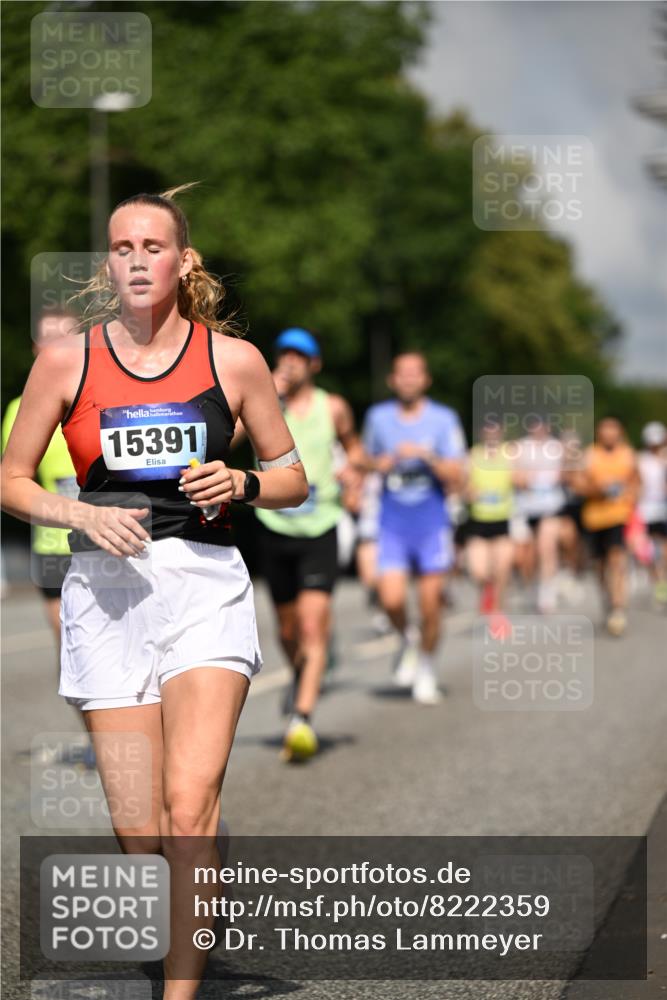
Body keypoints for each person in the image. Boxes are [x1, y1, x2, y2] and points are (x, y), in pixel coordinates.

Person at [0, 186, 308, 1000]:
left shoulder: (230, 360)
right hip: (105, 593)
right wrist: (73, 512)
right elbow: (10, 478)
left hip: (202, 583)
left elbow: (292, 479)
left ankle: (180, 990)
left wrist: (240, 480)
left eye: (153, 247)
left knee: (185, 805)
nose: (137, 260)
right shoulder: (68, 361)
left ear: (183, 260)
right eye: (122, 247)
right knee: (141, 830)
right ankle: (191, 887)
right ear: (110, 262)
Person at [254, 328, 363, 761]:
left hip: (321, 526)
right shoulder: (263, 399)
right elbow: (232, 439)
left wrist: (354, 472)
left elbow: (355, 449)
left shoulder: (332, 407)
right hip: (273, 524)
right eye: (285, 355)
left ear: (315, 365)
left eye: (300, 356)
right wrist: (268, 396)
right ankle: (302, 674)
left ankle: (301, 718)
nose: (291, 362)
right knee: (286, 630)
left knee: (313, 626)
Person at [362, 351, 466, 705]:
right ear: (393, 380)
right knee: (390, 598)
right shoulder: (378, 418)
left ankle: (426, 667)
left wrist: (426, 456)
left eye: (414, 373)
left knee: (431, 604)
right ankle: (408, 638)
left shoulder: (443, 419)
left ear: (426, 380)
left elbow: (457, 476)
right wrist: (383, 462)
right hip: (392, 523)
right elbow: (364, 462)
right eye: (401, 373)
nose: (408, 379)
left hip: (431, 524)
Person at [1, 307, 79, 642]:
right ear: (36, 347)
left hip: (110, 542)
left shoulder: (103, 400)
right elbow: (14, 479)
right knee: (70, 641)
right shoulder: (20, 408)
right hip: (54, 544)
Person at [576, 416, 639, 636]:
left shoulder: (628, 455)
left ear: (619, 432)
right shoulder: (589, 455)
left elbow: (636, 482)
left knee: (617, 559)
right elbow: (577, 484)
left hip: (619, 516)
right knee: (600, 566)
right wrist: (597, 489)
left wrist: (631, 495)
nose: (609, 434)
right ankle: (609, 600)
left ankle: (618, 607)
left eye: (613, 430)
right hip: (594, 518)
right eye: (605, 430)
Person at [465, 420, 514, 637]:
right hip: (478, 521)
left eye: (496, 429)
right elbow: (462, 486)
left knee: (501, 569)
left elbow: (524, 477)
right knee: (479, 572)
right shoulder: (472, 456)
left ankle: (497, 612)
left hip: (502, 521)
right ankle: (487, 593)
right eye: (487, 429)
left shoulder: (511, 454)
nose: (491, 433)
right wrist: (468, 492)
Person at [512, 418, 566, 613]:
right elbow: (513, 475)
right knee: (525, 555)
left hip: (550, 506)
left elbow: (568, 473)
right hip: (525, 508)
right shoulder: (519, 447)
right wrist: (523, 479)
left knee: (547, 547)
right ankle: (532, 583)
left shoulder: (557, 447)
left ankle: (547, 591)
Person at [637, 421, 667, 605]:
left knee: (664, 551)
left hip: (664, 509)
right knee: (648, 552)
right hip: (646, 509)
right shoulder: (641, 460)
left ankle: (663, 584)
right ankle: (657, 584)